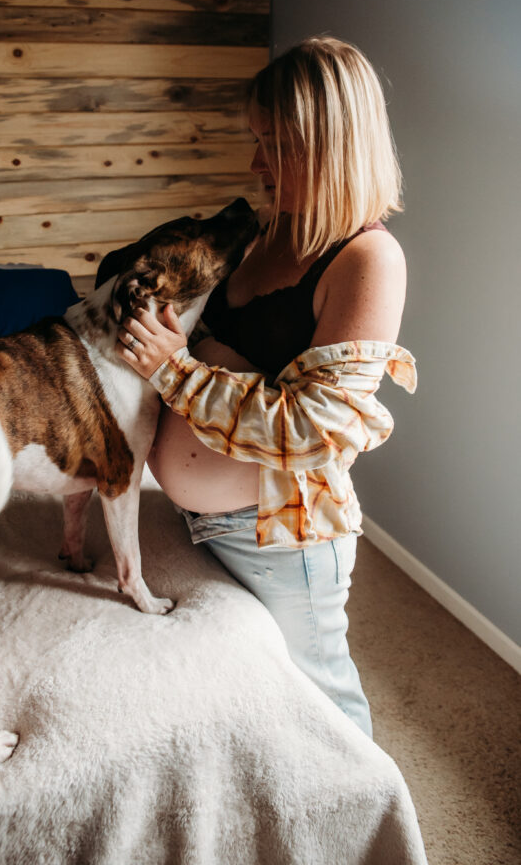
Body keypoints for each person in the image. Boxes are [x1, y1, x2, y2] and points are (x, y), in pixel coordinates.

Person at [113, 36, 417, 739]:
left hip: (281, 537)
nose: (255, 163)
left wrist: (174, 369)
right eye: (256, 139)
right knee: (249, 700)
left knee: (320, 702)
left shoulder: (368, 258)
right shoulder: (261, 232)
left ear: (332, 143)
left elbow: (311, 429)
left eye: (276, 144)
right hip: (199, 519)